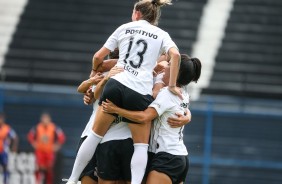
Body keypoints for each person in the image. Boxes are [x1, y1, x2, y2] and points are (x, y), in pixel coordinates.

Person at [67, 0, 181, 183]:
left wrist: (96, 70)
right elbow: (174, 55)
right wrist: (173, 84)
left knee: (95, 136)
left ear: (137, 13)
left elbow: (97, 56)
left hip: (115, 83)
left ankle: (72, 179)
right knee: (141, 146)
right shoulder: (161, 34)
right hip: (138, 91)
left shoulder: (124, 28)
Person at [102, 55, 201, 184]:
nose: (166, 67)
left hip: (166, 158)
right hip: (179, 157)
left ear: (176, 73)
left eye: (169, 65)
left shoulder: (167, 93)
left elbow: (144, 117)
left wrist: (116, 110)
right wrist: (188, 117)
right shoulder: (183, 92)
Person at [27, 112, 65, 184]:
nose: (45, 120)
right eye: (43, 118)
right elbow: (30, 136)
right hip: (39, 152)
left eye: (46, 118)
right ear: (41, 119)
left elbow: (62, 137)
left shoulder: (54, 127)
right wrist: (33, 144)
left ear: (49, 119)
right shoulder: (37, 127)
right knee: (38, 168)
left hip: (49, 152)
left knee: (49, 170)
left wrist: (57, 146)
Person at [0, 112, 18, 184]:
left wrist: (14, 147)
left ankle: (6, 182)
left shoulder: (7, 128)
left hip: (3, 151)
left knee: (5, 167)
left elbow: (15, 137)